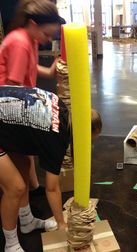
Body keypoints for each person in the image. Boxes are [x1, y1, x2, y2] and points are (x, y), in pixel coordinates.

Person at [0, 85, 102, 252]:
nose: (89, 146)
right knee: (15, 187)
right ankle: (11, 245)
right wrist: (62, 224)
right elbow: (52, 188)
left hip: (5, 120)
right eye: (89, 141)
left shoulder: (62, 108)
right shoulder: (56, 137)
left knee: (24, 164)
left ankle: (27, 222)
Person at [0, 0, 62, 195]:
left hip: (15, 97)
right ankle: (27, 193)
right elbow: (13, 86)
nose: (46, 40)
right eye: (46, 34)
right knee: (23, 155)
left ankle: (33, 189)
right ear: (34, 24)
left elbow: (30, 66)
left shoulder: (30, 39)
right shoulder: (20, 43)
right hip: (7, 102)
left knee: (26, 157)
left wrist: (50, 71)